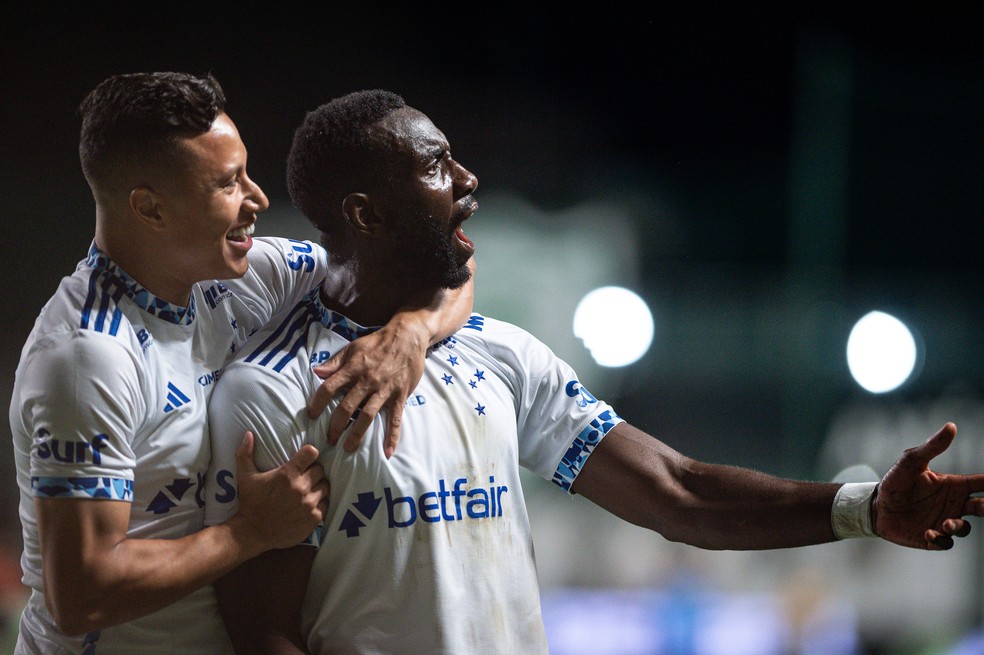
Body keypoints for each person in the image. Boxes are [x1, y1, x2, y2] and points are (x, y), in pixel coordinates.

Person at [204, 89, 984, 654]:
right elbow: (266, 634)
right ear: (366, 215)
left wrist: (864, 507)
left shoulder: (499, 355)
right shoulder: (274, 393)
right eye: (437, 166)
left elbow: (679, 492)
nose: (469, 180)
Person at [8, 74, 473, 654]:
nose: (258, 199)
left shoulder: (249, 276)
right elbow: (81, 596)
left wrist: (412, 330)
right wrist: (248, 534)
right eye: (229, 184)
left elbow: (430, 257)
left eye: (247, 172)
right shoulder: (87, 359)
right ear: (149, 207)